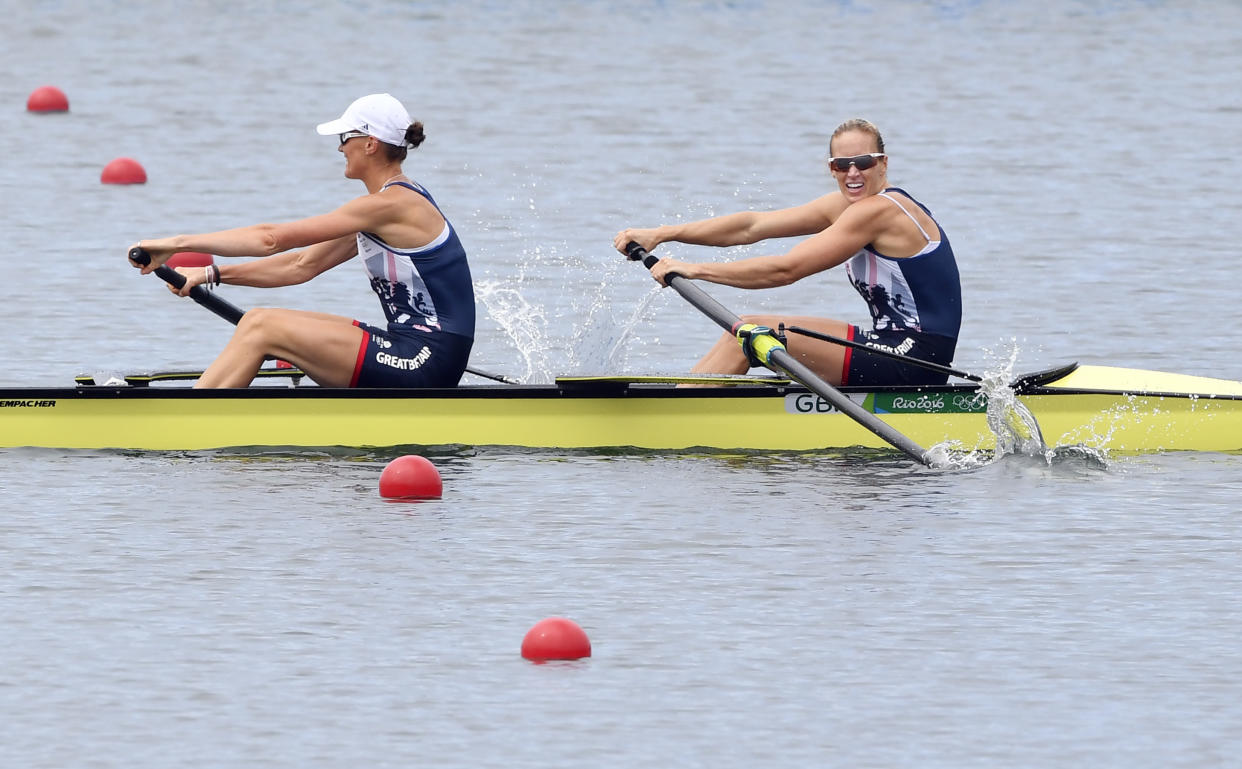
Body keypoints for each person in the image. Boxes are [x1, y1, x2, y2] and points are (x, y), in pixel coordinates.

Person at [129, 93, 475, 389]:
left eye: (344, 136)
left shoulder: (393, 205)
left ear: (370, 144)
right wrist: (207, 275)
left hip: (426, 360)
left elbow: (271, 240)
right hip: (413, 348)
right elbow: (301, 266)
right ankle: (200, 406)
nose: (340, 147)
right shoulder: (386, 208)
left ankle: (186, 419)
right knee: (258, 320)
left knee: (262, 327)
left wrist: (176, 243)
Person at [613, 118, 961, 387]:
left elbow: (786, 270)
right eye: (842, 165)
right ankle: (690, 399)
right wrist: (662, 233)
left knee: (749, 334)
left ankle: (674, 413)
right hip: (887, 345)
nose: (852, 172)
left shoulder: (882, 211)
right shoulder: (845, 206)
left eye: (863, 162)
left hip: (916, 359)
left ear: (883, 163)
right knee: (750, 332)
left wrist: (694, 270)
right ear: (831, 168)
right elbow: (751, 227)